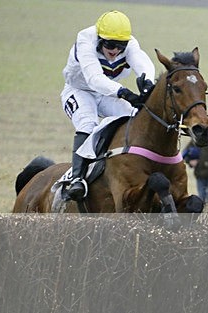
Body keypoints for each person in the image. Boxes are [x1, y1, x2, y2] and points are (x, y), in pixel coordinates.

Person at [60, 10, 156, 201]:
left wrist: (147, 81)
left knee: (134, 117)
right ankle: (77, 179)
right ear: (99, 39)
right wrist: (124, 92)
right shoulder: (85, 40)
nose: (115, 50)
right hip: (79, 91)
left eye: (121, 46)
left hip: (106, 93)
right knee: (88, 123)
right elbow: (94, 78)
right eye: (110, 45)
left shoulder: (130, 44)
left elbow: (143, 63)